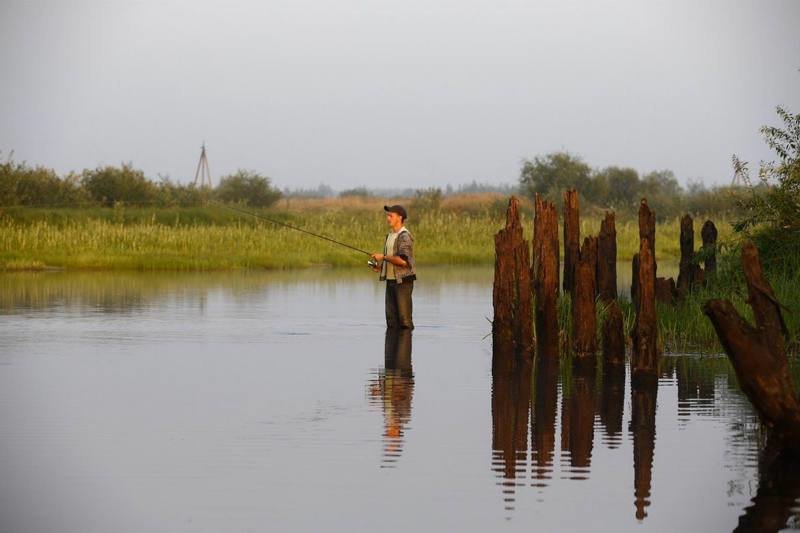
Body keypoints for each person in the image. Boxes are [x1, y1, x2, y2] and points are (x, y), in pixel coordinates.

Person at [370, 205, 416, 329]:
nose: (388, 218)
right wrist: (380, 267)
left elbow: (403, 262)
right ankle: (391, 348)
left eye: (391, 215)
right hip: (390, 282)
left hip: (403, 282)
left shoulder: (404, 236)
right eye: (387, 215)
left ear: (400, 217)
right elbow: (391, 259)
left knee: (404, 320)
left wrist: (384, 257)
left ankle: (405, 346)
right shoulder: (390, 236)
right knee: (391, 321)